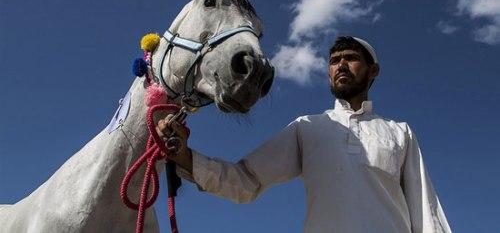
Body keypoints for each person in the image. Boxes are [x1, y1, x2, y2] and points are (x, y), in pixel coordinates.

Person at [158, 36, 452, 232]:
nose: (341, 66)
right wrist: (185, 157)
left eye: (350, 58)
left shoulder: (400, 133)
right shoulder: (309, 128)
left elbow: (425, 209)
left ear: (373, 71)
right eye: (334, 60)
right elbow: (247, 181)